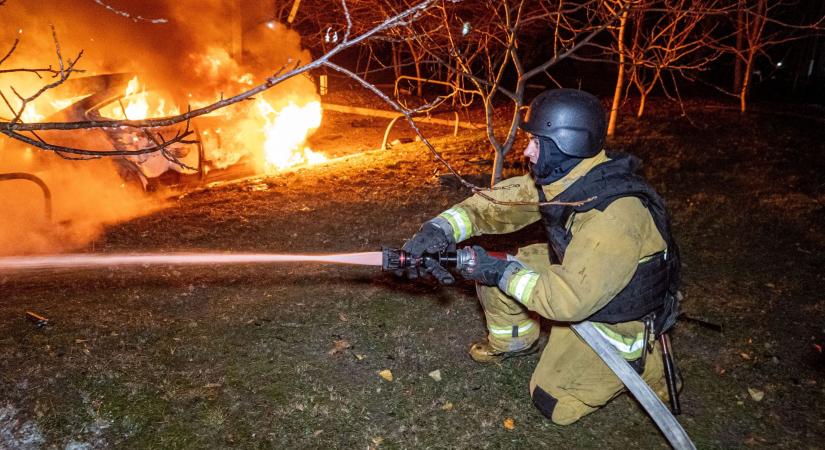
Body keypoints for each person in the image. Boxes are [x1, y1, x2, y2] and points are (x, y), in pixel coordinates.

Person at [396, 88, 681, 425]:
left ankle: (643, 362)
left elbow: (566, 300)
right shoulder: (569, 177)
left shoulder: (613, 218)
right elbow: (500, 204)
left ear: (566, 144)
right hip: (582, 276)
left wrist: (498, 271)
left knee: (552, 401)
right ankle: (515, 343)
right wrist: (440, 229)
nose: (527, 151)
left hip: (615, 316)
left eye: (536, 142)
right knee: (502, 262)